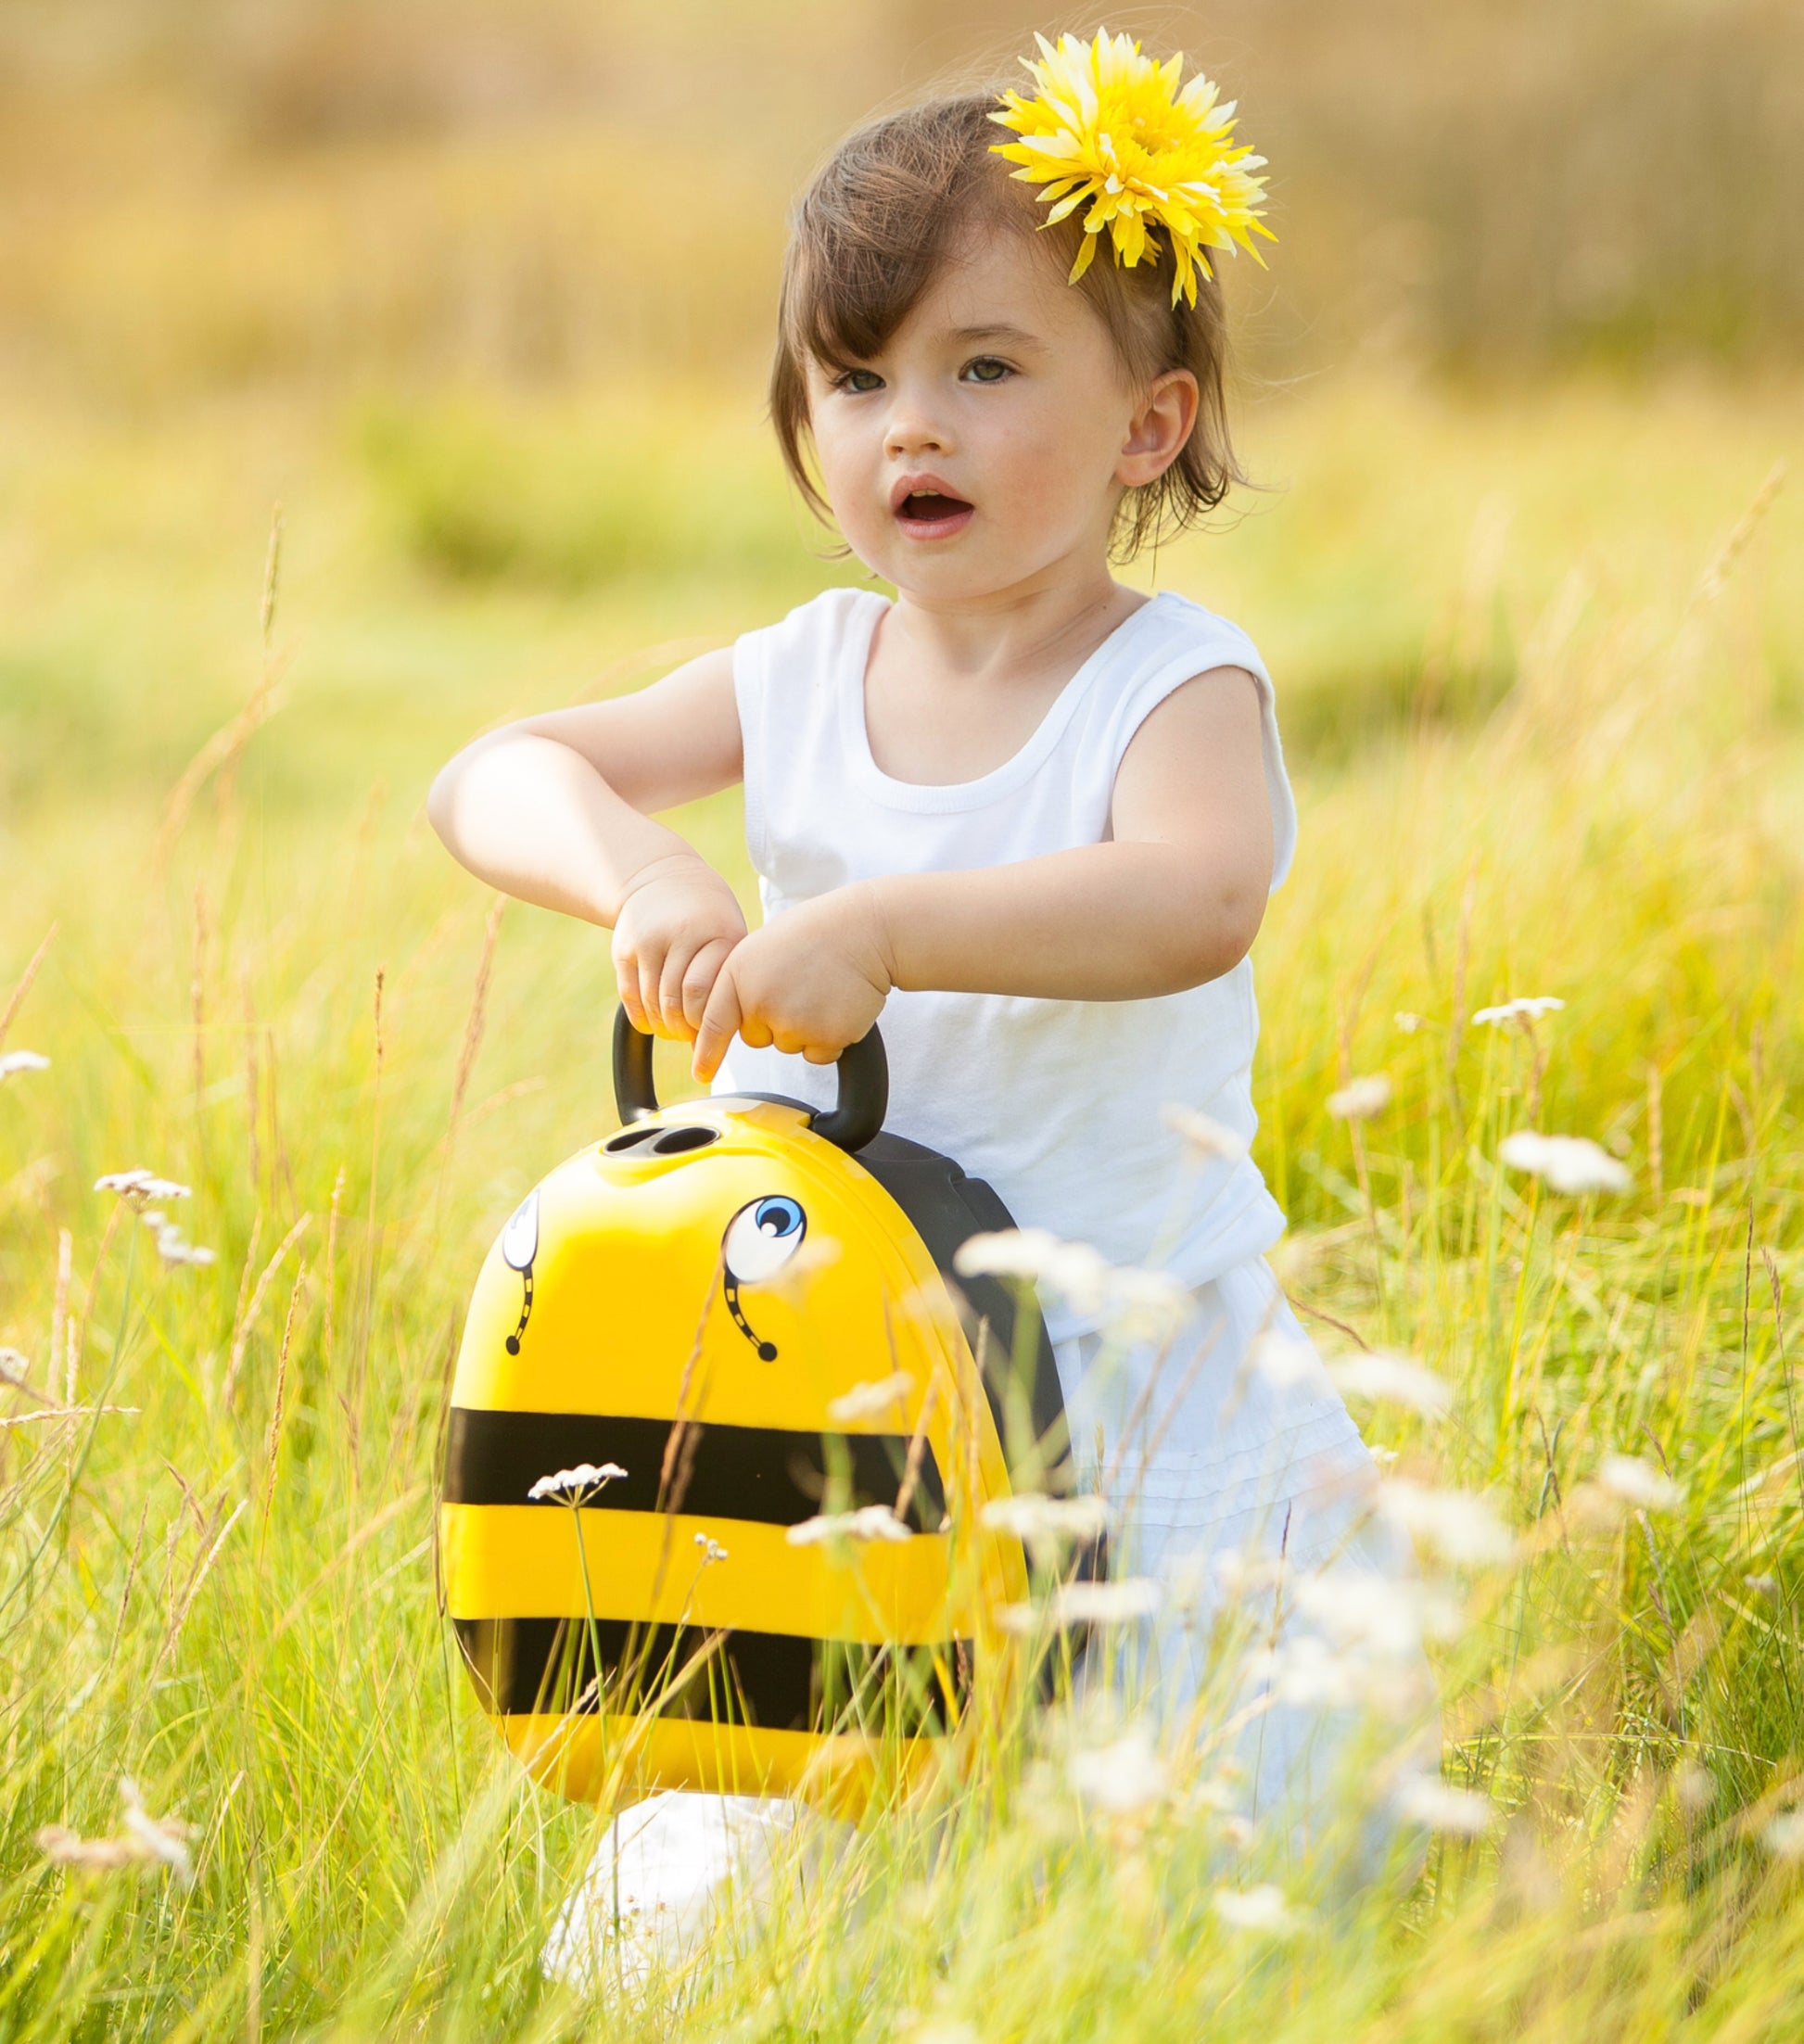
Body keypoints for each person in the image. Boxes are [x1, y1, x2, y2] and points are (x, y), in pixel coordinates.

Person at [429, 30, 1432, 1990]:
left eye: (985, 368)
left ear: (1148, 424)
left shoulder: (1172, 683)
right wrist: (648, 871)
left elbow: (1191, 896)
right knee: (811, 1784)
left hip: (1147, 1388)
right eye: (858, 376)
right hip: (865, 1387)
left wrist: (883, 922)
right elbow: (491, 769)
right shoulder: (799, 675)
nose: (914, 425)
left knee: (1234, 1858)